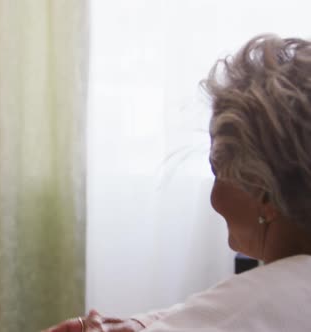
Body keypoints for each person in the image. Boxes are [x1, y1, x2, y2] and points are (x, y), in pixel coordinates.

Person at [43, 34, 311, 332]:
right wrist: (139, 323)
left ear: (262, 190)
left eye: (217, 170)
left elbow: (233, 314)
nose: (214, 196)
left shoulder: (257, 302)